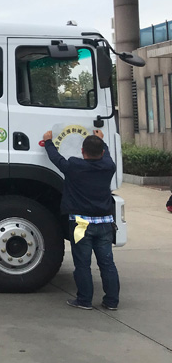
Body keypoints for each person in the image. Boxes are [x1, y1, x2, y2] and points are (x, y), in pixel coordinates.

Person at [42, 128, 119, 311]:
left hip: (80, 224)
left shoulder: (74, 166)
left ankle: (84, 300)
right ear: (102, 153)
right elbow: (106, 155)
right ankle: (111, 301)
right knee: (107, 264)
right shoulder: (109, 167)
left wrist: (48, 142)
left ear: (82, 151)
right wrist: (102, 140)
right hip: (105, 223)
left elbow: (56, 159)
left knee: (82, 264)